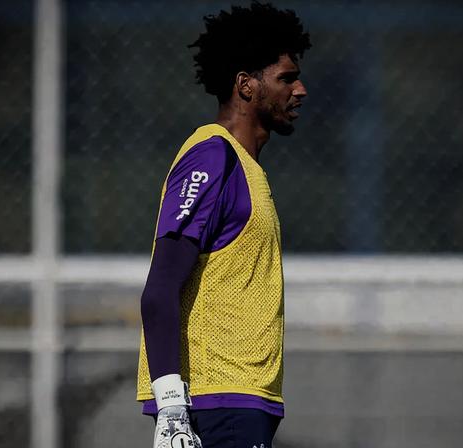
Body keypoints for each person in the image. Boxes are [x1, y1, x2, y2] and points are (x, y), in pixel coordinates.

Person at [136, 2, 311, 447]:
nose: (301, 90)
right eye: (287, 78)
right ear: (246, 85)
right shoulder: (213, 156)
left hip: (245, 401)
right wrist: (172, 410)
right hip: (214, 404)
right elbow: (159, 289)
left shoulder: (249, 169)